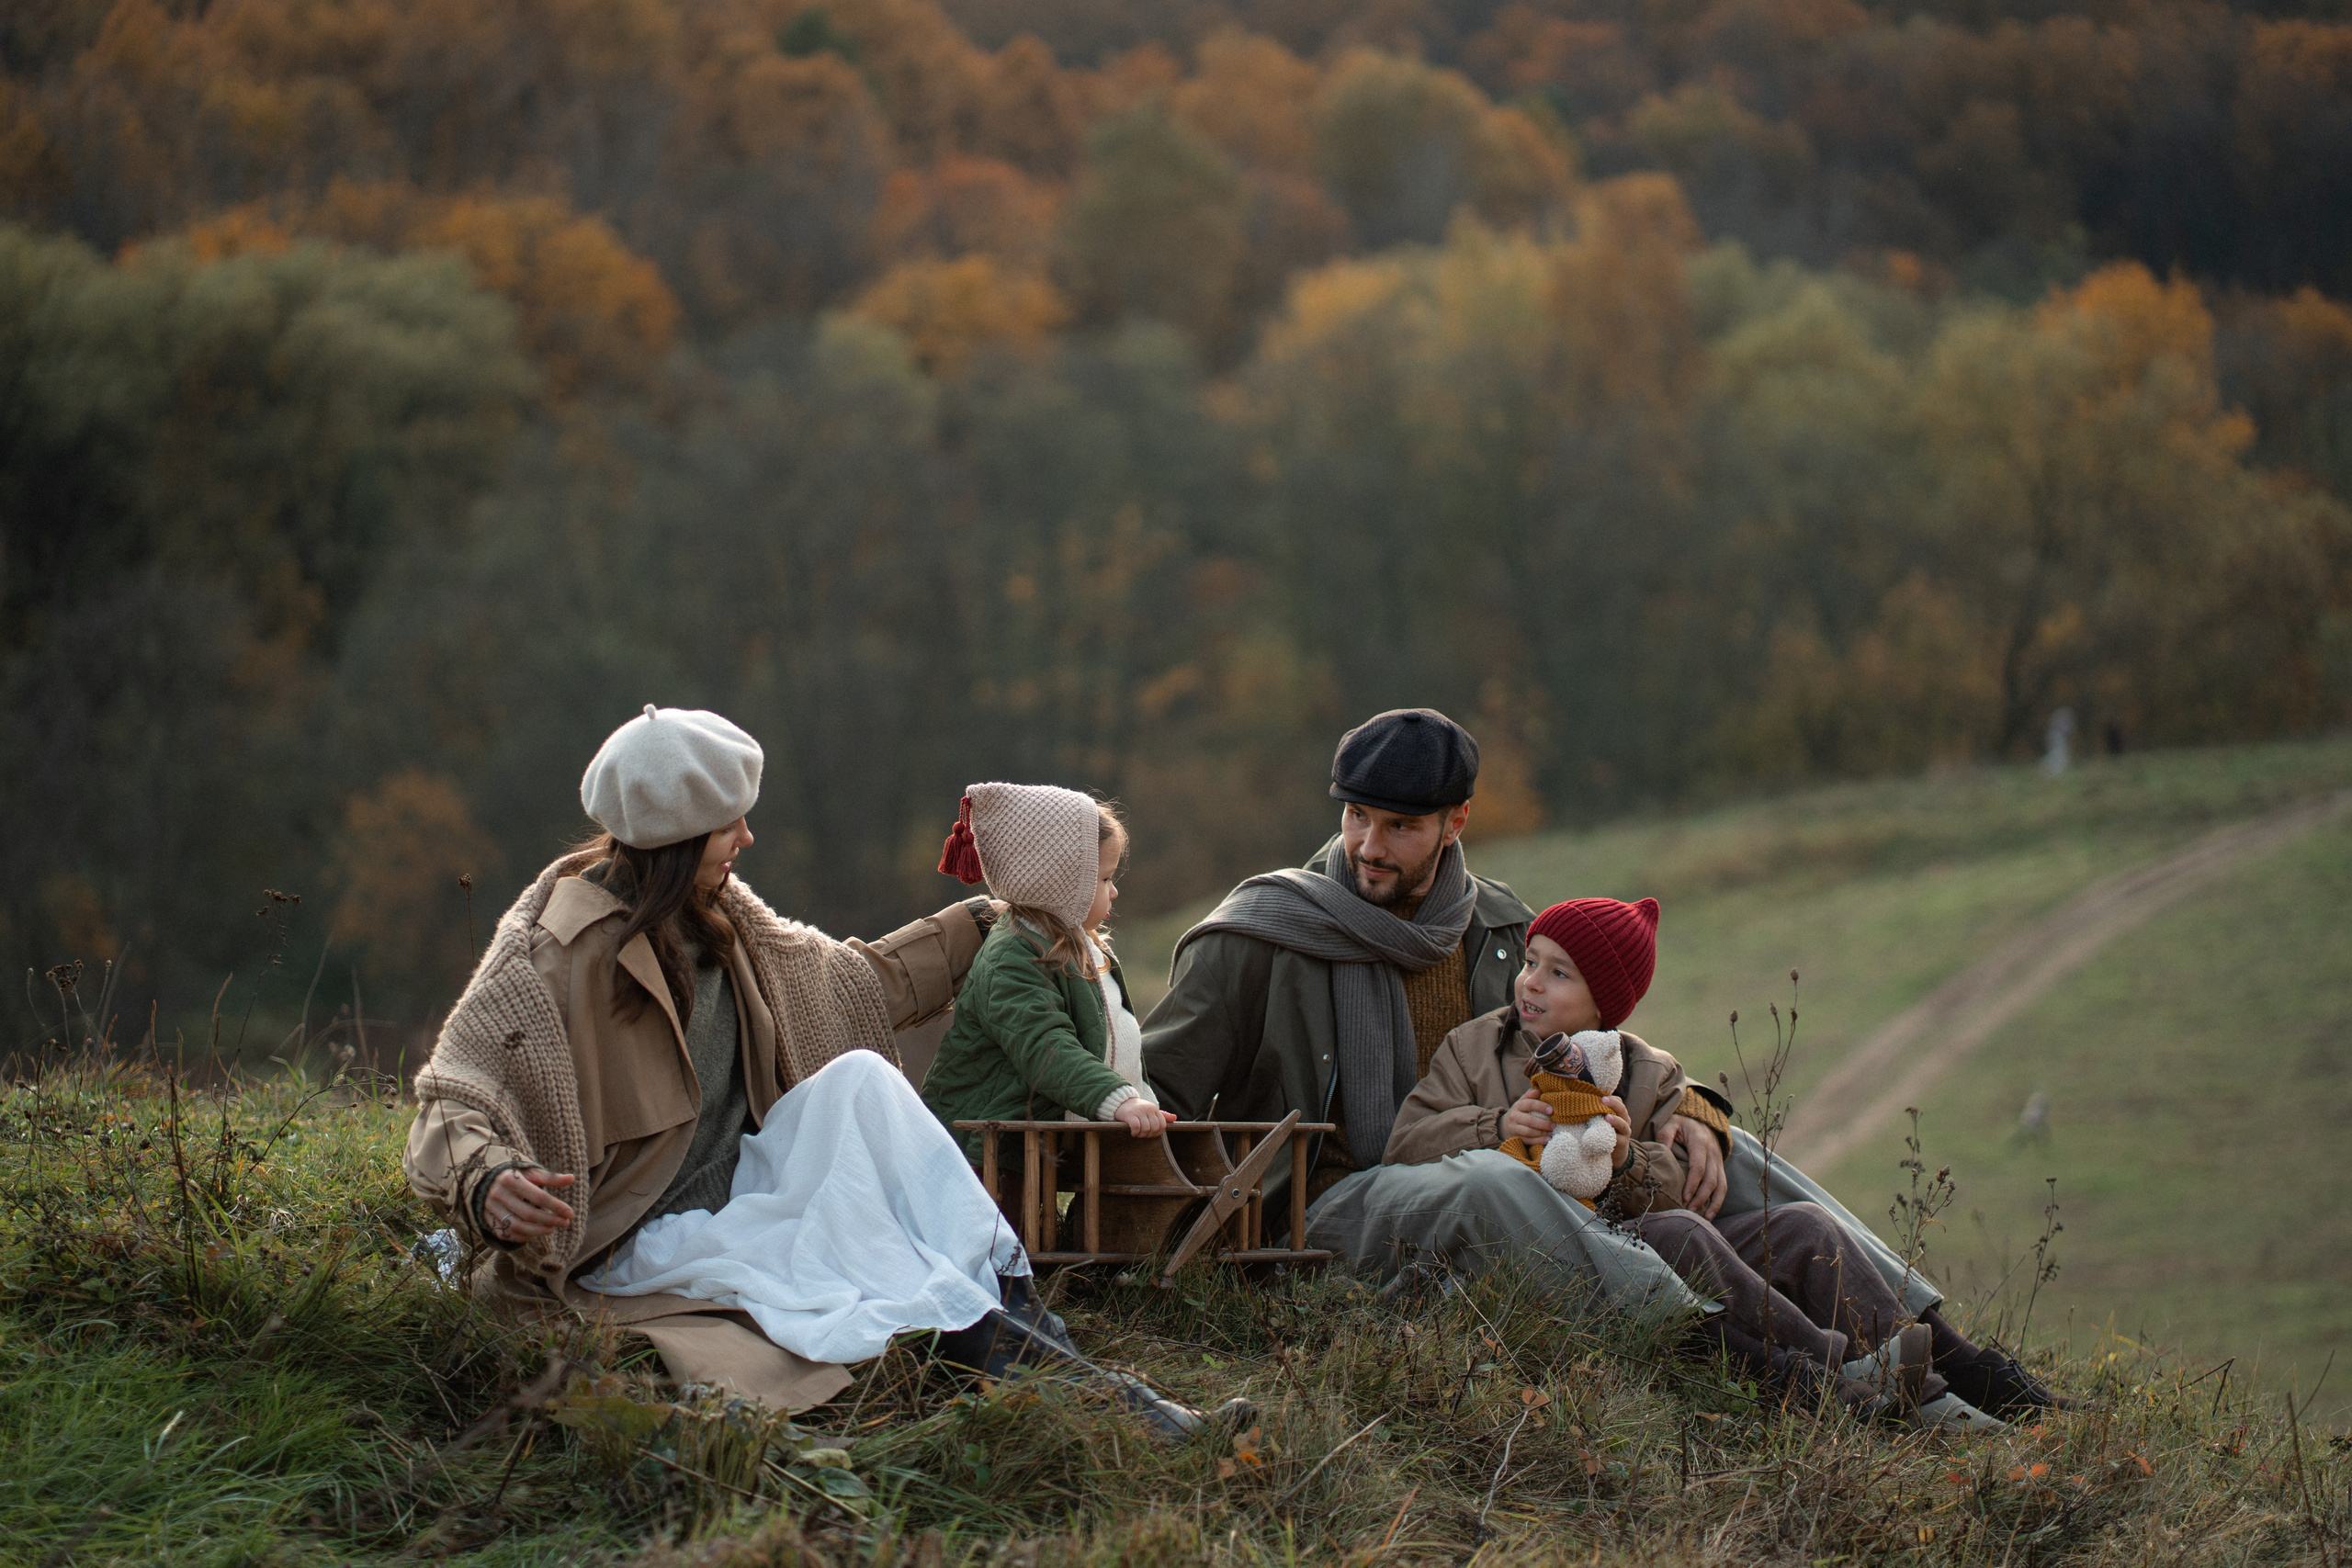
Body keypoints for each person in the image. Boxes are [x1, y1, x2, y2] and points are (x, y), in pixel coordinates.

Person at [403, 705, 1241, 1438]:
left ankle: (1043, 1341)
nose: (747, 838)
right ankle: (1086, 1390)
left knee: (864, 1084)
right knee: (879, 1272)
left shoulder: (728, 918)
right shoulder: (551, 954)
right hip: (645, 1236)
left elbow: (854, 982)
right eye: (731, 822)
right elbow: (458, 1089)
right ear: (680, 833)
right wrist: (488, 1178)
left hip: (749, 1186)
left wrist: (984, 923)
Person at [1392, 896, 2025, 1427]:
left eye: (1559, 973)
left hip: (1637, 1228)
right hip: (1555, 1250)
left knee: (1806, 1226)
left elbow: (1682, 1187)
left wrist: (1623, 1157)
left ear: (1603, 1004)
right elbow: (1406, 1140)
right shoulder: (1472, 1047)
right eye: (1531, 961)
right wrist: (1493, 1124)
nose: (1529, 981)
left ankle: (1927, 1384)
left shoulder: (1646, 1069)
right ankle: (1842, 1367)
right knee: (1684, 1233)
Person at [922, 784, 1172, 1165]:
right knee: (1012, 1227)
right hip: (984, 1158)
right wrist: (1119, 1100)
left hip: (1041, 1150)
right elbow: (1046, 1045)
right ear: (1059, 883)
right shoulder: (1011, 956)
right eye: (1104, 879)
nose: (1114, 891)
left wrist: (1141, 1100)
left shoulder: (1084, 946)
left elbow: (1116, 1038)